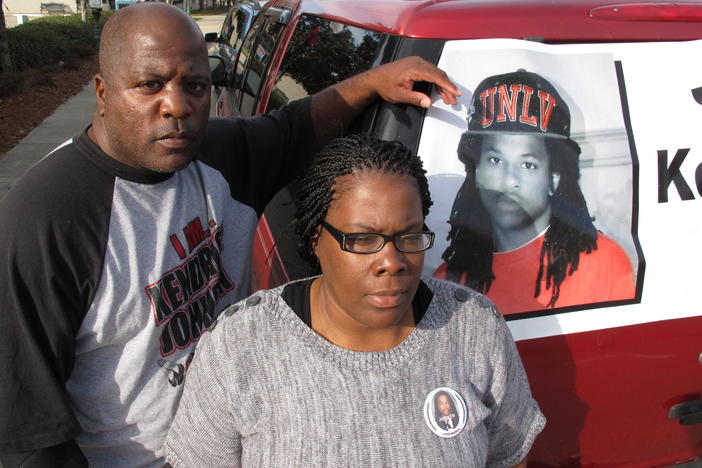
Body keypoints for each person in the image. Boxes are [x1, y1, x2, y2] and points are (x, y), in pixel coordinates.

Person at [0, 4, 461, 467]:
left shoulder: (216, 157)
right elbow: (28, 428)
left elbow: (296, 127)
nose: (177, 106)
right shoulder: (47, 218)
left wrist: (373, 82)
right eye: (149, 85)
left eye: (195, 86)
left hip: (244, 443)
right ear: (102, 92)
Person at [164, 133, 545, 467]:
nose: (392, 263)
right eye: (363, 240)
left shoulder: (473, 326)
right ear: (316, 237)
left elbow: (508, 457)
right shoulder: (240, 345)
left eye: (409, 237)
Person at [434, 69, 635, 315]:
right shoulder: (448, 280)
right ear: (476, 169)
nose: (509, 181)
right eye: (495, 160)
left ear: (554, 176)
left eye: (527, 164)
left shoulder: (603, 261)